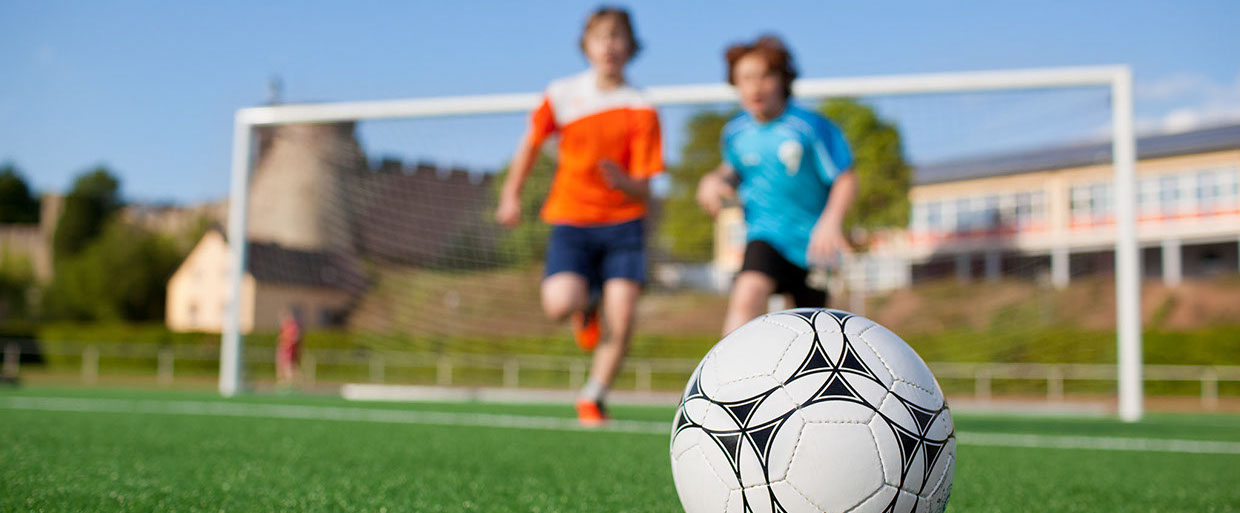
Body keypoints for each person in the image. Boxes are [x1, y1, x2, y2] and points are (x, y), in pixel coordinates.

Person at [494, 7, 663, 426]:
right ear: (586, 45)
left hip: (624, 224)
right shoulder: (562, 94)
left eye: (618, 36)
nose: (610, 45)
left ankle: (594, 395)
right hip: (571, 219)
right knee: (558, 303)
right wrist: (511, 194)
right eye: (601, 36)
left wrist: (624, 180)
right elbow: (530, 144)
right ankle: (585, 304)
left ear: (631, 46)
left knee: (622, 316)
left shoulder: (641, 107)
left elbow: (646, 185)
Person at [697, 35, 858, 336]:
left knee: (816, 330)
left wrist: (831, 222)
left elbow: (845, 177)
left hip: (812, 243)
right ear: (735, 84)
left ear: (782, 79)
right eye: (745, 78)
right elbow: (731, 171)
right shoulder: (735, 132)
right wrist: (713, 181)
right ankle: (726, 380)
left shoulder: (810, 126)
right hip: (766, 235)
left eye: (764, 76)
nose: (755, 87)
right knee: (747, 296)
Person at [276, 308, 303, 390]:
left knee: (288, 366)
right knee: (284, 366)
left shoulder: (292, 326)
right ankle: (284, 382)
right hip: (284, 348)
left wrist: (289, 341)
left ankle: (291, 383)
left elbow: (296, 337)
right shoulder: (285, 325)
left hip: (288, 349)